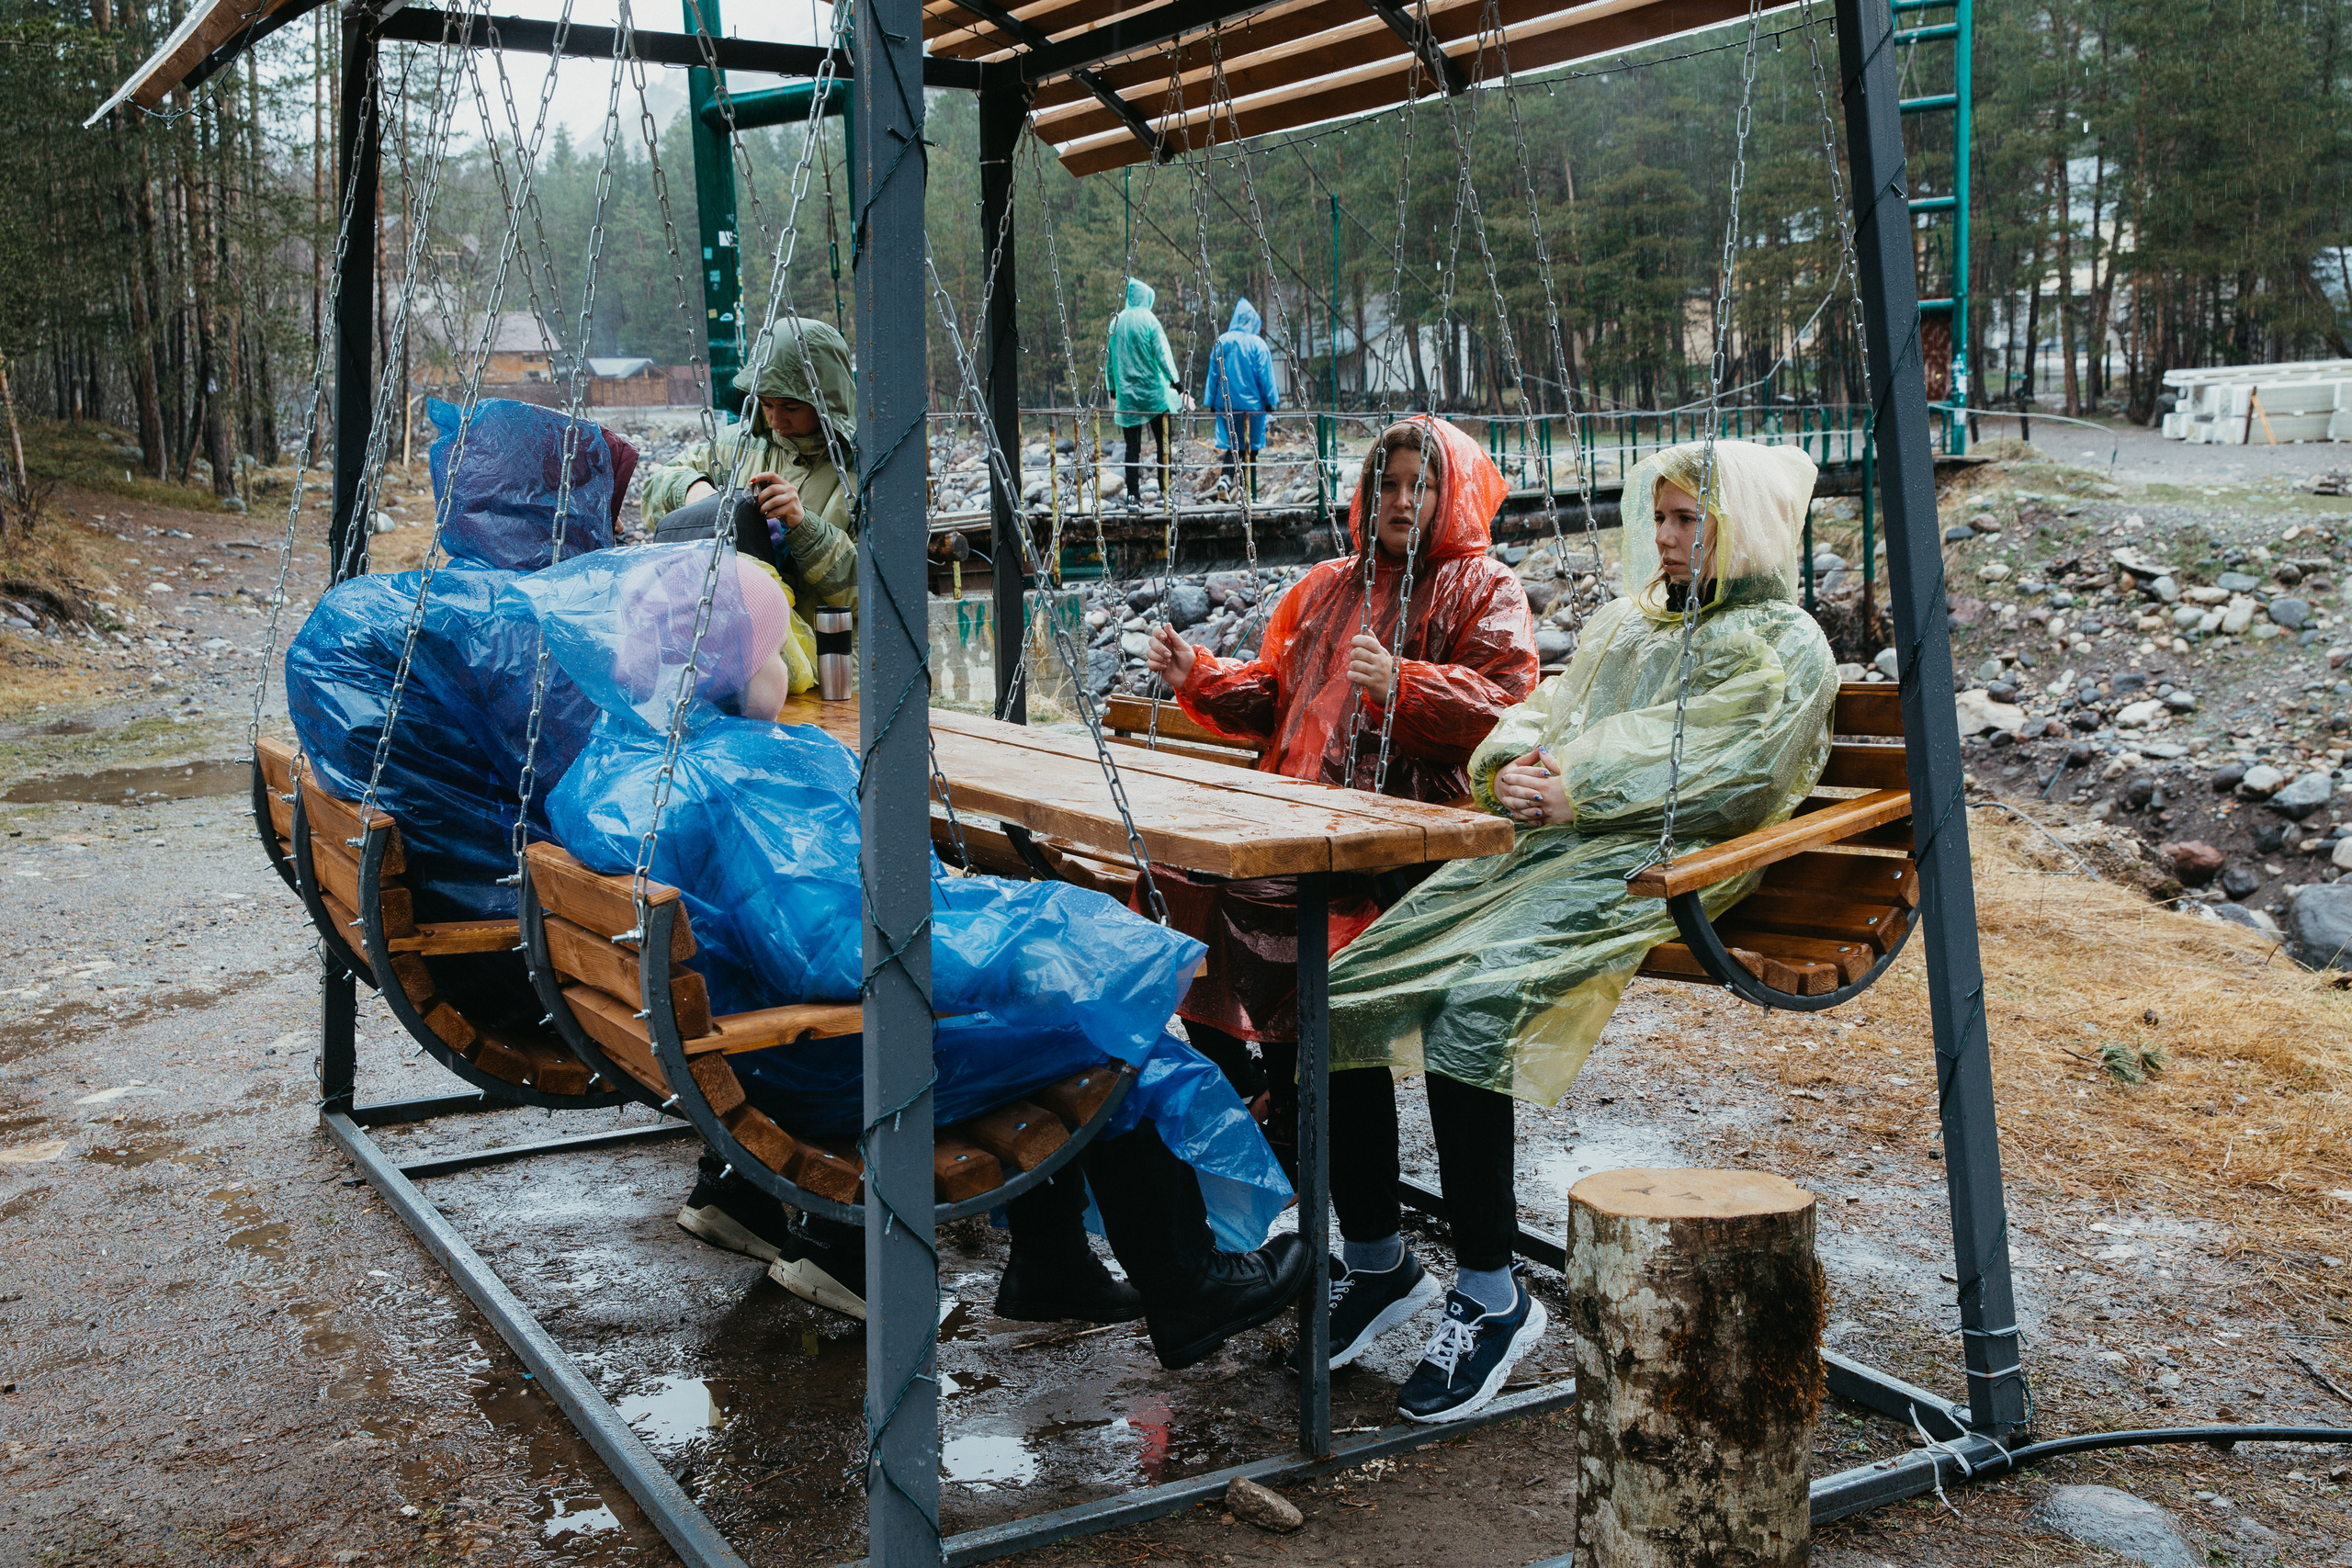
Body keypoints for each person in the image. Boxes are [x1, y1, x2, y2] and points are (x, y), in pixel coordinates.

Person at [505, 544, 1309, 1367]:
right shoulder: (745, 777)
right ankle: (1190, 1289)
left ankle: (1054, 1263)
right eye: (775, 649)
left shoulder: (625, 754)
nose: (790, 667)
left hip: (744, 1045)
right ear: (734, 665)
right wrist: (1021, 955)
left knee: (1053, 996)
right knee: (1106, 1028)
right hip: (819, 1062)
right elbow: (833, 949)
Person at [1318, 439, 1837, 1423]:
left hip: (1656, 866)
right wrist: (1506, 767)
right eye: (1665, 517)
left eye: (1691, 520)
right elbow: (1542, 708)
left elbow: (1739, 773)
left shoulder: (1786, 643)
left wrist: (1579, 787)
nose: (1668, 537)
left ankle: (1490, 1292)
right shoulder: (1628, 625)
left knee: (1473, 1008)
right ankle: (1379, 1262)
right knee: (1346, 988)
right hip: (1550, 846)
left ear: (1748, 528)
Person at [1140, 417, 1539, 1170]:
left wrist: (1406, 686)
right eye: (1385, 483)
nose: (1398, 500)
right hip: (1290, 825)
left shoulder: (1484, 589)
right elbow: (1277, 700)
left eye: (1418, 485)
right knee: (1169, 888)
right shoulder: (1327, 586)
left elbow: (1508, 710)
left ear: (1449, 494)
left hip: (1397, 846)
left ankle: (1296, 1111)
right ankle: (1267, 1096)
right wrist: (1200, 673)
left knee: (1302, 925)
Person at [639, 317, 856, 694]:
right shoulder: (733, 446)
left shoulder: (864, 473)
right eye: (766, 404)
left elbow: (866, 595)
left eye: (790, 406)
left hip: (827, 678)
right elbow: (655, 486)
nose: (775, 419)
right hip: (735, 667)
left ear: (827, 401)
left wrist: (803, 527)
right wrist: (703, 498)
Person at [1105, 277, 1187, 508]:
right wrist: (1177, 385)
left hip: (1128, 397)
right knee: (1163, 444)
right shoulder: (1150, 320)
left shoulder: (1116, 322)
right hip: (1154, 394)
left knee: (1132, 448)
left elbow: (1110, 363)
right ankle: (1165, 493)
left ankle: (1134, 495)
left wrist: (1113, 390)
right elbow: (1163, 356)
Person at [1204, 298, 1278, 500]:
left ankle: (1225, 480)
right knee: (1251, 448)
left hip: (1226, 405)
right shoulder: (1258, 345)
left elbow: (1213, 374)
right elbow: (1265, 376)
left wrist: (1210, 400)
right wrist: (1271, 401)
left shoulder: (1222, 341)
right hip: (1253, 407)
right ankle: (1249, 494)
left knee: (1231, 445)